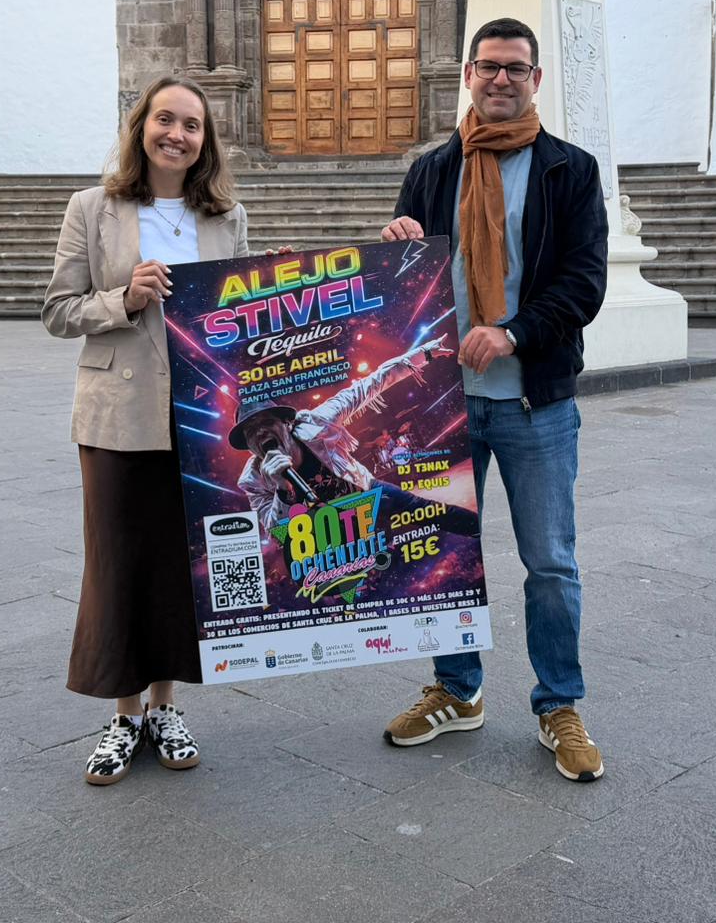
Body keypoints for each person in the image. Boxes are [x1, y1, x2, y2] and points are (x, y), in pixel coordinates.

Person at [378, 17, 610, 782]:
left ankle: (559, 704)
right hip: (443, 403)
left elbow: (584, 283)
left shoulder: (569, 171)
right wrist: (394, 249)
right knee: (445, 556)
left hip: (534, 403)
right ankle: (457, 689)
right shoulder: (433, 170)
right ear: (469, 76)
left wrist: (513, 334)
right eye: (489, 66)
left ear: (536, 79)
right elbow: (405, 289)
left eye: (515, 67)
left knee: (550, 562)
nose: (501, 79)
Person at [42, 74, 249, 786]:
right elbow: (58, 310)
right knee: (118, 562)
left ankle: (165, 706)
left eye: (192, 125)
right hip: (117, 415)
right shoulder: (92, 208)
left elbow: (239, 319)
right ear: (142, 127)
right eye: (166, 120)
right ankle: (123, 714)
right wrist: (123, 299)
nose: (177, 135)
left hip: (199, 417)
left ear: (205, 140)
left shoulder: (226, 217)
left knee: (179, 567)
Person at [230, 336, 453, 531]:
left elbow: (368, 385)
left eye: (266, 422)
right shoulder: (252, 480)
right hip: (329, 526)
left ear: (287, 423)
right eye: (250, 431)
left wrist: (423, 353)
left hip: (364, 489)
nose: (260, 432)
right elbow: (277, 533)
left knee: (428, 510)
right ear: (248, 445)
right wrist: (282, 490)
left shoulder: (317, 422)